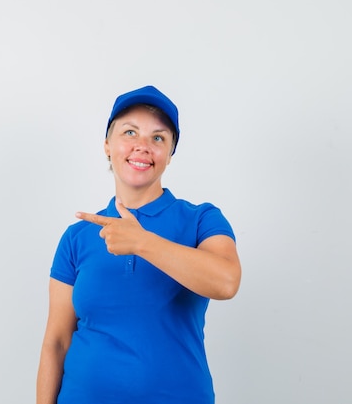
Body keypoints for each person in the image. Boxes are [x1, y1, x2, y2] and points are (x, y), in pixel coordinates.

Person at [36, 85, 241, 404]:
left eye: (158, 138)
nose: (142, 146)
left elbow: (226, 282)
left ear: (170, 154)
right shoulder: (77, 237)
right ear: (107, 145)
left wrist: (143, 242)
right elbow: (57, 342)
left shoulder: (201, 220)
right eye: (130, 132)